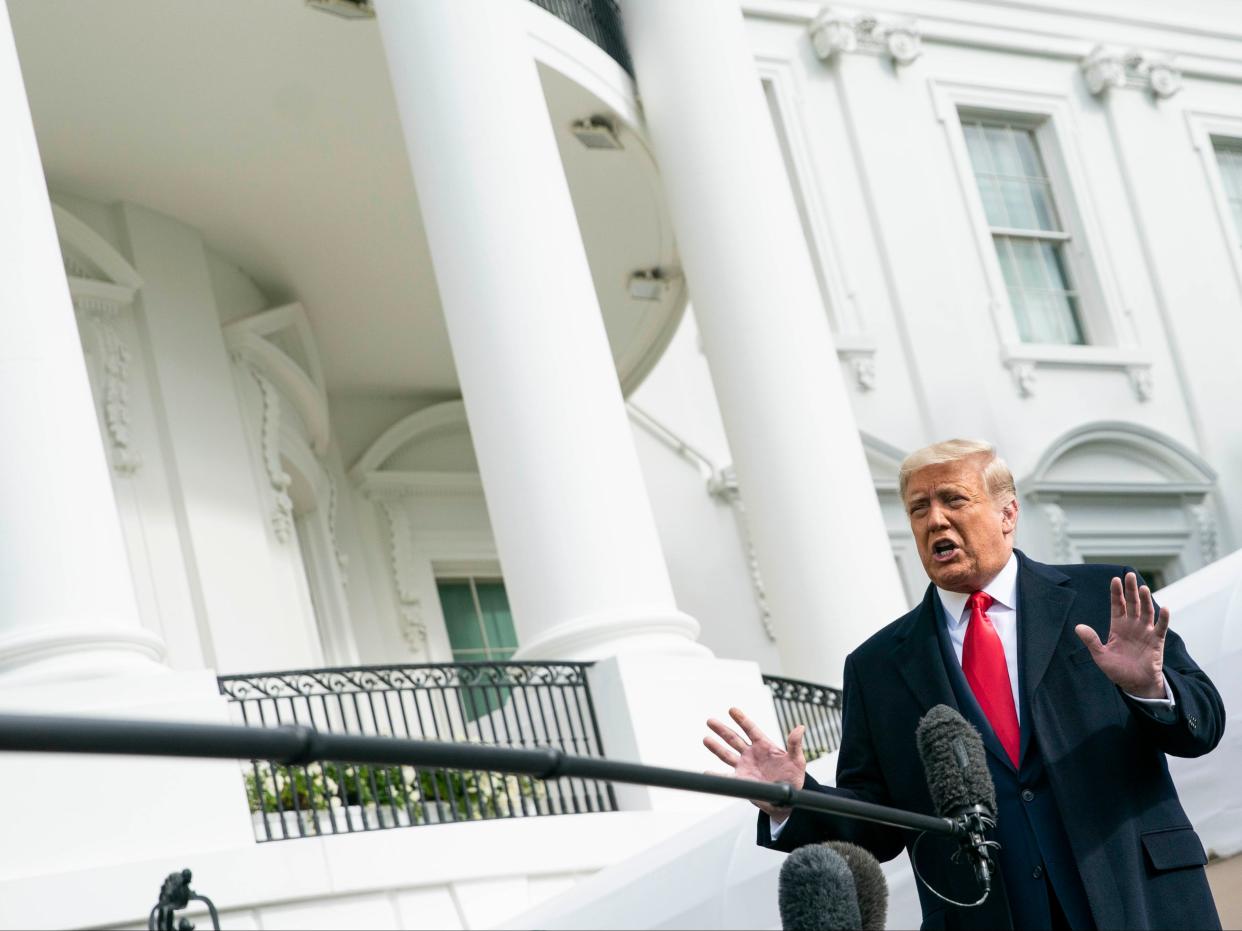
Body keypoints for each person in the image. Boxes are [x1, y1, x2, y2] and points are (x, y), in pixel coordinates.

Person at [705, 439, 1223, 930]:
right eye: (918, 508)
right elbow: (878, 828)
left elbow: (1203, 727)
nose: (935, 520)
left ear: (1008, 514)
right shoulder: (878, 665)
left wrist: (1149, 689)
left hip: (1138, 900)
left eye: (953, 499)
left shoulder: (1104, 597)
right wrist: (793, 799)